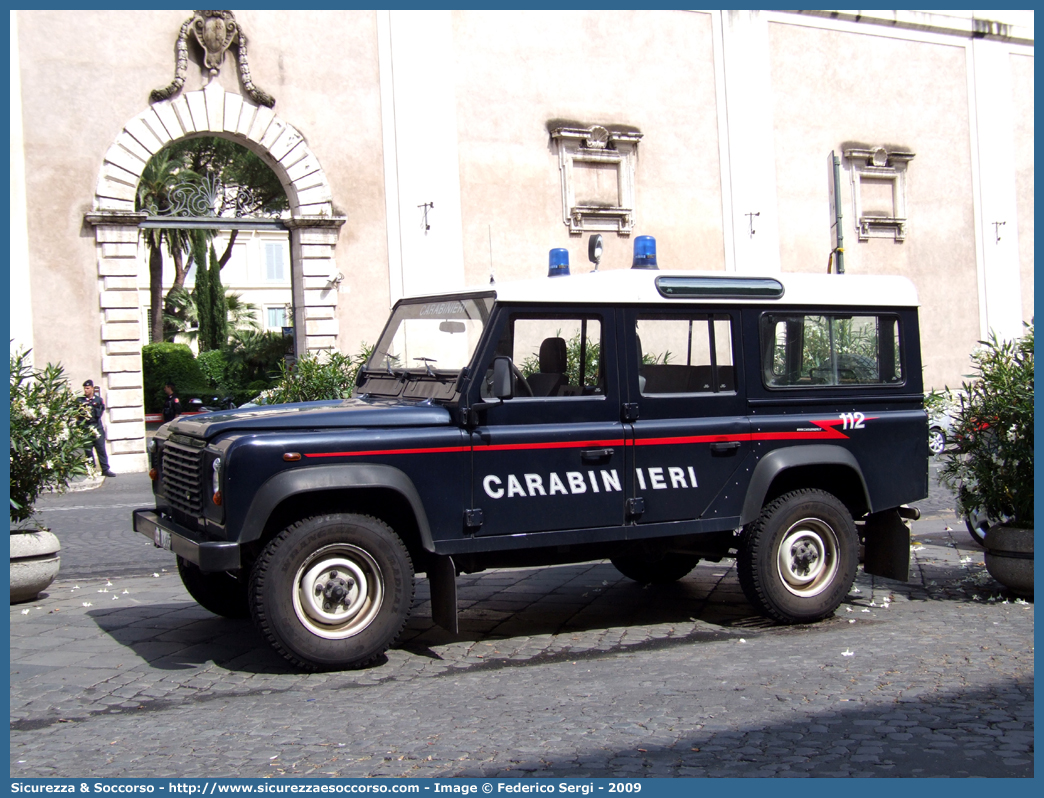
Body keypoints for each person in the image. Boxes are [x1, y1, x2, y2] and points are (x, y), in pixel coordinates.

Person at [80, 379, 116, 477]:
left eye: (88, 388)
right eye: (85, 388)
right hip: (86, 429)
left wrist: (92, 405)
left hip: (97, 428)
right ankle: (91, 469)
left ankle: (105, 469)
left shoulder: (98, 400)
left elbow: (99, 413)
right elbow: (78, 416)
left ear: (92, 388)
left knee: (101, 449)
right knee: (88, 451)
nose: (86, 390)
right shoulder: (80, 401)